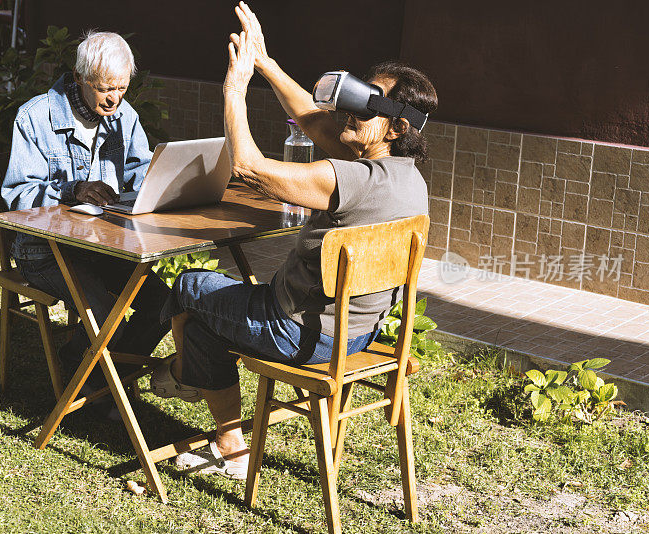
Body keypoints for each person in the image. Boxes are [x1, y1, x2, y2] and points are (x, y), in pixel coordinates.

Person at [150, 2, 438, 478]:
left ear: (397, 126)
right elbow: (312, 119)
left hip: (300, 332)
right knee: (203, 328)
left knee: (189, 288)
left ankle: (183, 377)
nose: (350, 107)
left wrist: (235, 89)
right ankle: (230, 445)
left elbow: (248, 167)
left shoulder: (353, 180)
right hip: (355, 333)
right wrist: (264, 61)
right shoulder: (405, 180)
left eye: (369, 102)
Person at [1, 31, 171, 391]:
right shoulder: (35, 116)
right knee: (110, 316)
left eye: (121, 88)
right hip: (46, 252)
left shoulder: (125, 116)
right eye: (104, 88)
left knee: (165, 304)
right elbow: (18, 195)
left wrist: (164, 188)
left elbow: (142, 176)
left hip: (105, 247)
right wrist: (72, 190)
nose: (114, 99)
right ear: (79, 77)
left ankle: (103, 380)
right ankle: (94, 380)